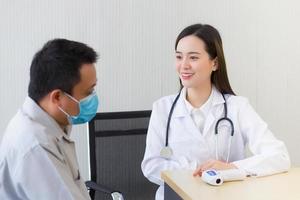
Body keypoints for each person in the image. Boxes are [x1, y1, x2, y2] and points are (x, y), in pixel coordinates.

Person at [141, 24, 291, 200]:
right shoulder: (163, 108)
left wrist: (232, 169)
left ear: (215, 63)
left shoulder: (238, 107)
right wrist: (199, 169)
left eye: (193, 57)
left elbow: (279, 156)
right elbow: (151, 165)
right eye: (179, 57)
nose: (184, 65)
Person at [0, 39, 98, 200]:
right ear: (57, 97)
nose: (93, 99)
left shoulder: (49, 126)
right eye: (88, 92)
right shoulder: (36, 146)